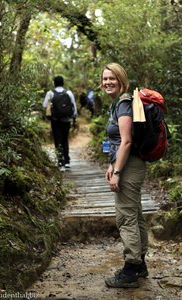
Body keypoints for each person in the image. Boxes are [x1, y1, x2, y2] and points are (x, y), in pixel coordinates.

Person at [100, 63, 148, 288]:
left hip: (129, 167)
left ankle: (131, 269)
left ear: (121, 80)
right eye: (105, 79)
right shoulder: (119, 104)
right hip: (128, 163)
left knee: (126, 217)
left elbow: (127, 141)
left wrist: (117, 172)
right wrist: (112, 164)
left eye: (112, 78)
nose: (108, 82)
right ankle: (140, 265)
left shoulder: (124, 104)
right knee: (135, 215)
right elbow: (119, 142)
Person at [43, 75, 77, 169]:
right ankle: (67, 161)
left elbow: (44, 105)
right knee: (65, 139)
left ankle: (60, 161)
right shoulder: (68, 93)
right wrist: (74, 117)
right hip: (67, 120)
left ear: (54, 83)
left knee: (57, 140)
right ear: (63, 82)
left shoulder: (50, 93)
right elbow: (73, 107)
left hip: (55, 120)